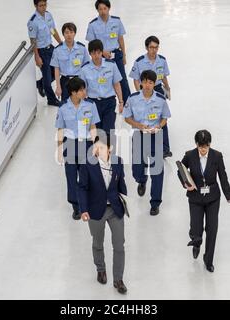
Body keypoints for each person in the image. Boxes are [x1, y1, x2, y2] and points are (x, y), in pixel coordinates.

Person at [78, 133, 128, 294]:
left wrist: (124, 199)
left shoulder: (118, 162)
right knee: (98, 242)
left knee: (119, 244)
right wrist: (84, 209)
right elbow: (82, 188)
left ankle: (118, 279)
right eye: (96, 147)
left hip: (114, 209)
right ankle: (100, 269)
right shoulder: (88, 165)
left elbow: (120, 182)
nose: (97, 150)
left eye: (101, 147)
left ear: (110, 148)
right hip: (95, 210)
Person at [178, 130, 230, 272]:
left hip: (213, 198)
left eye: (205, 147)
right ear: (196, 144)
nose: (203, 150)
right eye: (200, 147)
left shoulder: (217, 156)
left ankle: (208, 260)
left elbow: (223, 176)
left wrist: (228, 194)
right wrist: (186, 183)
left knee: (212, 229)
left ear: (209, 145)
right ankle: (196, 242)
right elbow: (181, 170)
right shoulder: (190, 155)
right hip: (195, 197)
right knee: (196, 228)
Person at [123, 70, 171, 216]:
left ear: (154, 83)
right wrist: (138, 125)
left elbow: (165, 117)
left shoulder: (160, 99)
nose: (148, 85)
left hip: (155, 136)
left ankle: (155, 203)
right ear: (141, 83)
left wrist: (159, 126)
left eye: (151, 82)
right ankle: (141, 180)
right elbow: (126, 117)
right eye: (145, 82)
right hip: (138, 135)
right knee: (138, 168)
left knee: (157, 171)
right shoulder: (132, 99)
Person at [56, 77, 99, 220]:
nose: (84, 92)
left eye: (84, 89)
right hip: (70, 144)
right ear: (73, 93)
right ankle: (76, 205)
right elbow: (60, 129)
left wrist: (96, 144)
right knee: (71, 176)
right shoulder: (62, 108)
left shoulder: (90, 105)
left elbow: (93, 126)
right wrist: (60, 150)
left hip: (86, 143)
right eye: (81, 90)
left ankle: (85, 203)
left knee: (86, 175)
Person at [129, 36, 172, 158]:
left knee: (162, 118)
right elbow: (136, 79)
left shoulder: (162, 60)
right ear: (147, 48)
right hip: (144, 91)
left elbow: (163, 76)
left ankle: (165, 148)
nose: (154, 50)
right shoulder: (139, 62)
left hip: (157, 90)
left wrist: (167, 89)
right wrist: (140, 94)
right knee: (145, 118)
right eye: (151, 47)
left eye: (156, 47)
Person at [86, 0, 130, 104]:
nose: (103, 11)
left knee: (122, 79)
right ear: (97, 10)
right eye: (100, 9)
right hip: (101, 57)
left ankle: (128, 103)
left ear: (109, 8)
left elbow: (121, 39)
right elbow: (92, 43)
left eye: (105, 8)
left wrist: (124, 55)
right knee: (104, 79)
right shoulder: (93, 25)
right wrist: (102, 52)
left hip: (116, 54)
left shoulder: (117, 21)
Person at [79, 39, 123, 134]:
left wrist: (121, 101)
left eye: (99, 52)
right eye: (93, 53)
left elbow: (117, 84)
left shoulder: (111, 65)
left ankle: (110, 148)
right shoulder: (84, 69)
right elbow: (82, 90)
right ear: (90, 54)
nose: (96, 56)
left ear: (102, 52)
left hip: (109, 102)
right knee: (96, 131)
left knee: (109, 130)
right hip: (93, 103)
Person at [27, 0, 62, 106]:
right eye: (41, 5)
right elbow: (33, 41)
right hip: (41, 51)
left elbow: (52, 30)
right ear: (35, 6)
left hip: (50, 48)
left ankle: (40, 83)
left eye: (45, 5)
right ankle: (51, 100)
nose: (43, 7)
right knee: (47, 77)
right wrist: (37, 57)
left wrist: (60, 43)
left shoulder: (48, 15)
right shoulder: (32, 21)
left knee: (57, 71)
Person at [50, 23, 89, 103]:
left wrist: (86, 86)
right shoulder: (57, 50)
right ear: (63, 34)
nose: (69, 35)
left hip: (79, 80)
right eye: (66, 32)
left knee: (80, 105)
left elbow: (86, 67)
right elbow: (56, 69)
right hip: (65, 81)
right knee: (66, 106)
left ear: (75, 33)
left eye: (71, 32)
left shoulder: (82, 48)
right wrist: (58, 87)